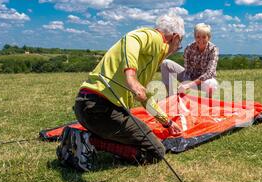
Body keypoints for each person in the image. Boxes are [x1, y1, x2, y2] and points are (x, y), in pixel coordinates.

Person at [57, 14, 184, 171]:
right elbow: (132, 38)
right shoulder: (156, 38)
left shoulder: (150, 56)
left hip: (85, 107)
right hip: (102, 110)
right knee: (156, 151)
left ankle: (81, 138)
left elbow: (145, 98)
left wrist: (167, 122)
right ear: (175, 37)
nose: (176, 50)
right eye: (179, 45)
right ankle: (88, 141)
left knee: (138, 136)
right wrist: (131, 76)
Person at [161, 23, 219, 98]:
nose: (201, 40)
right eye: (198, 37)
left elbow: (209, 73)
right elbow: (187, 70)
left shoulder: (213, 49)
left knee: (212, 84)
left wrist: (189, 84)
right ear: (195, 37)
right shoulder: (189, 48)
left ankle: (207, 103)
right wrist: (185, 83)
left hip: (204, 81)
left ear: (209, 37)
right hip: (190, 77)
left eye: (204, 37)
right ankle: (171, 96)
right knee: (165, 63)